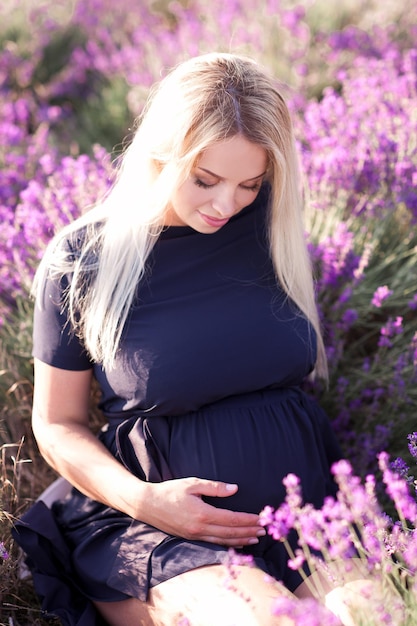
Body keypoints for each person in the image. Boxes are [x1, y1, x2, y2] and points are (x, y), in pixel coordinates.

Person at [13, 52, 366, 626]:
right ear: (161, 154)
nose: (227, 203)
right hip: (158, 533)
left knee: (365, 614)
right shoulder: (83, 260)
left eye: (249, 183)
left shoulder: (266, 226)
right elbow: (57, 424)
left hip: (307, 512)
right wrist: (146, 502)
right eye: (205, 179)